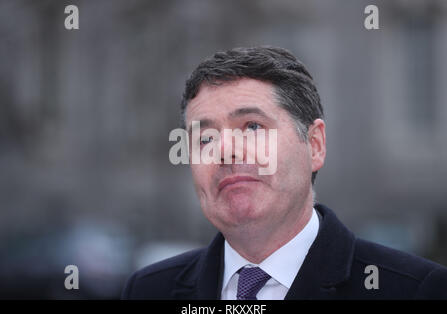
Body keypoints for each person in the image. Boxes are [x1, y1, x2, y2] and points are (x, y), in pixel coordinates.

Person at [121, 46, 447, 299]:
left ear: (315, 145)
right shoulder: (149, 290)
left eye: (252, 126)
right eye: (205, 138)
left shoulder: (414, 290)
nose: (226, 150)